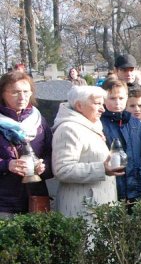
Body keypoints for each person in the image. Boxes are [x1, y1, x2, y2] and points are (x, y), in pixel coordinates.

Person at [51, 85, 124, 217]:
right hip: (82, 210)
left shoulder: (91, 125)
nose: (103, 109)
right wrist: (101, 169)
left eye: (102, 103)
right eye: (97, 104)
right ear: (79, 106)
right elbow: (62, 170)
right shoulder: (69, 129)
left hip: (97, 206)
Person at [0, 71, 52, 216]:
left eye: (26, 91)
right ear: (2, 93)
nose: (22, 97)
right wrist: (7, 165)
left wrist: (43, 166)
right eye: (15, 92)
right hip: (4, 202)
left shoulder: (38, 120)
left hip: (36, 197)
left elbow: (50, 152)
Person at [100, 80, 141, 203]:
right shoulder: (99, 124)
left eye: (121, 98)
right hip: (113, 188)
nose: (117, 102)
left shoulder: (136, 124)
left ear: (126, 97)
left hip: (138, 186)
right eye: (112, 98)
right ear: (104, 99)